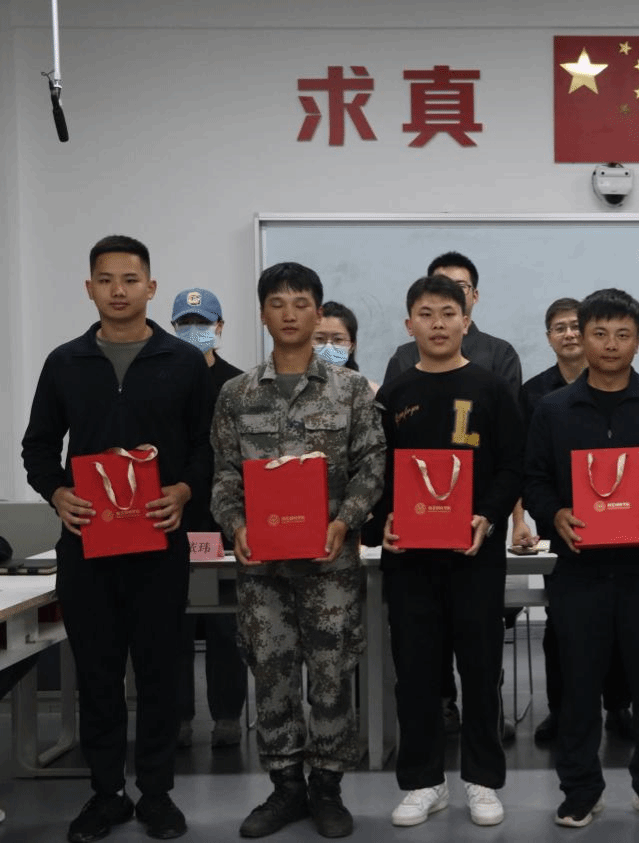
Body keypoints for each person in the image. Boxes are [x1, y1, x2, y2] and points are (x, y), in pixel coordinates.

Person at [22, 234, 211, 841]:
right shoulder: (65, 362)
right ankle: (106, 795)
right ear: (90, 288)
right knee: (98, 675)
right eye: (106, 280)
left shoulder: (183, 361)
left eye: (130, 279)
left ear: (150, 287)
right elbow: (37, 446)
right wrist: (57, 493)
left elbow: (208, 447)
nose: (118, 290)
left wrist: (183, 491)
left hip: (159, 541)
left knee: (159, 672)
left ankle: (156, 794)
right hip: (87, 545)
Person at [211, 262, 386, 839]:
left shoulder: (350, 389)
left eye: (301, 303)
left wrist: (345, 521)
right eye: (278, 303)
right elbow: (225, 474)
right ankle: (285, 788)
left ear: (318, 312)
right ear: (263, 313)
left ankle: (328, 788)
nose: (289, 314)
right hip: (262, 568)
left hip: (329, 563)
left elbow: (371, 467)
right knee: (273, 674)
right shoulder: (236, 394)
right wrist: (235, 524)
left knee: (333, 675)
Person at [524, 288, 639, 828]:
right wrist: (554, 514)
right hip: (579, 572)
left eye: (623, 335)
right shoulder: (555, 408)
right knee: (577, 688)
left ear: (638, 341)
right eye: (599, 333)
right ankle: (580, 789)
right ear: (582, 337)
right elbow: (534, 479)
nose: (610, 345)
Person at [373, 275, 524, 828]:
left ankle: (483, 781)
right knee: (415, 673)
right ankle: (423, 783)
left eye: (447, 313)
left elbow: (514, 463)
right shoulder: (392, 394)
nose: (437, 324)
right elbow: (375, 470)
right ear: (408, 323)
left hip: (474, 555)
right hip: (410, 560)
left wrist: (490, 514)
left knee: (481, 671)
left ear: (467, 320)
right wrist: (382, 519)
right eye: (426, 314)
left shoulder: (492, 388)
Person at [519, 298, 633, 745]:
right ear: (549, 337)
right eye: (559, 328)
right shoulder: (535, 394)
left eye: (574, 326)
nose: (568, 334)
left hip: (622, 523)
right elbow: (529, 466)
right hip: (564, 527)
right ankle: (561, 709)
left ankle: (619, 705)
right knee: (560, 623)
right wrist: (541, 515)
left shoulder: (626, 388)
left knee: (619, 622)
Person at [169, 287, 249, 750]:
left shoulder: (238, 384)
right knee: (173, 621)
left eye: (202, 323)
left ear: (219, 327)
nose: (193, 331)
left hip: (225, 522)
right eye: (185, 323)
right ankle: (178, 715)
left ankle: (228, 715)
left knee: (226, 624)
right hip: (173, 517)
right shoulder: (160, 377)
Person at [382, 251, 522, 389]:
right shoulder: (404, 357)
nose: (449, 291)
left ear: (475, 296)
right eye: (440, 285)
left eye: (460, 286)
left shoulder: (501, 354)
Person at [315, 301, 380, 393]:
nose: (328, 347)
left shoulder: (369, 392)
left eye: (338, 339)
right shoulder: (296, 391)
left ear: (352, 345)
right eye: (320, 339)